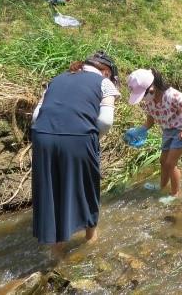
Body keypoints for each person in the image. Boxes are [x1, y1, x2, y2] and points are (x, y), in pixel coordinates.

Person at [31, 51, 120, 258]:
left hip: (42, 137)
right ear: (105, 71)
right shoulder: (104, 83)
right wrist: (92, 138)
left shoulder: (57, 79)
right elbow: (106, 122)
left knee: (52, 191)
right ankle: (91, 239)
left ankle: (55, 251)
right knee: (87, 187)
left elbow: (36, 115)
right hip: (78, 137)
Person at [126, 69, 182, 199]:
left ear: (152, 88)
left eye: (143, 95)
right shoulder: (150, 102)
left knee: (171, 164)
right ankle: (162, 187)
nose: (143, 99)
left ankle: (175, 193)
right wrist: (139, 131)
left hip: (180, 130)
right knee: (163, 161)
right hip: (167, 131)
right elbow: (150, 122)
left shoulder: (172, 96)